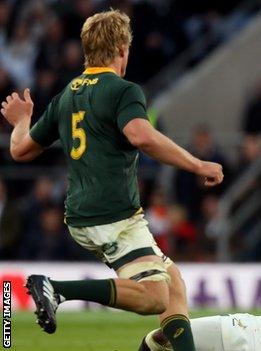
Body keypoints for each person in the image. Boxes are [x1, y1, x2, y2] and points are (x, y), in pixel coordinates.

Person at [0, 10, 223, 351]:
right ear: (122, 49)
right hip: (113, 217)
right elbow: (141, 135)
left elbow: (20, 149)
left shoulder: (67, 94)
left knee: (172, 280)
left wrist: (22, 119)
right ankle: (57, 289)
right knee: (155, 297)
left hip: (81, 215)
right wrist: (196, 164)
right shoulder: (122, 91)